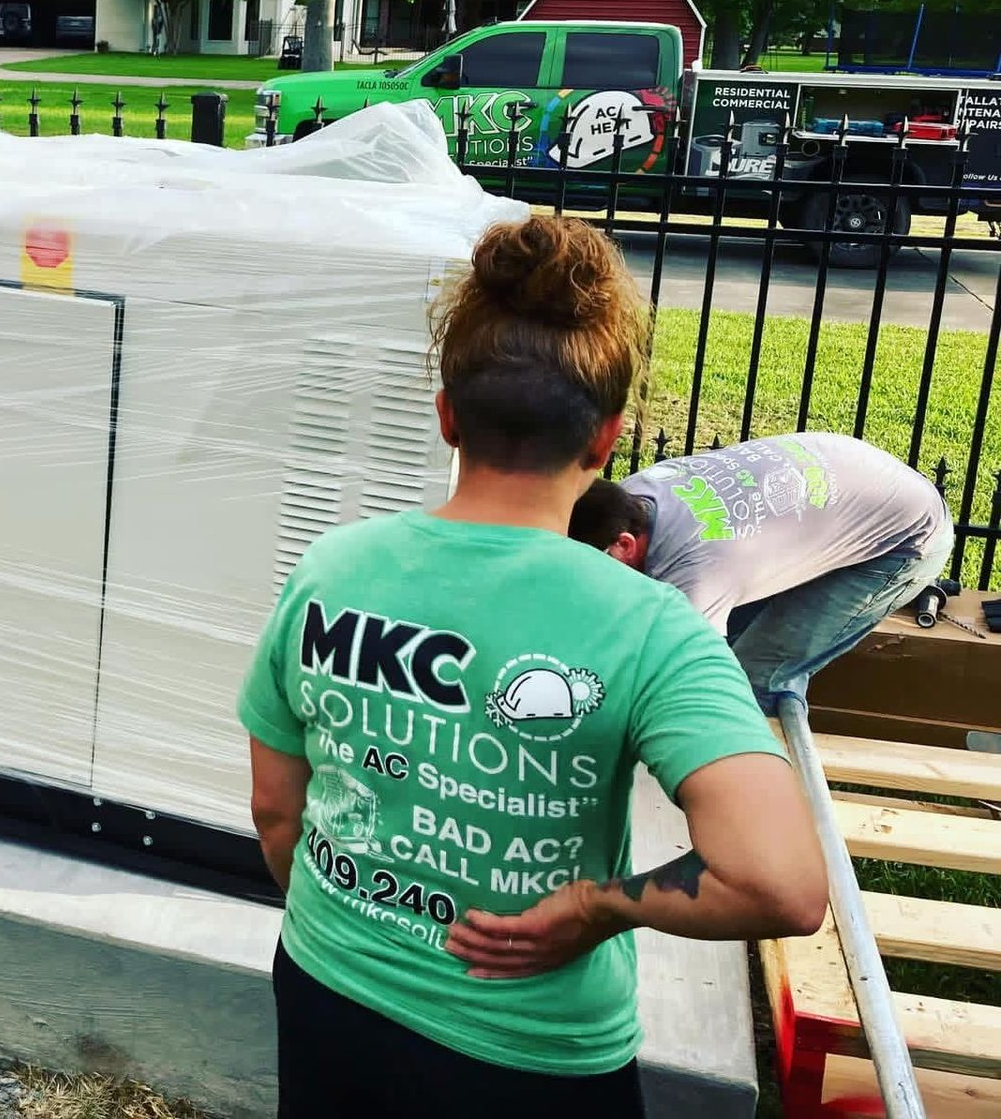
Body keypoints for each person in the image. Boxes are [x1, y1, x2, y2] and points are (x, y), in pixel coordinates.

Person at [239, 215, 826, 1118]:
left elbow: (277, 811)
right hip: (533, 1054)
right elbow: (778, 881)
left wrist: (353, 927)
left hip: (327, 990)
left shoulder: (330, 568)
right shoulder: (648, 629)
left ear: (447, 417)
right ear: (607, 440)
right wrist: (598, 907)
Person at [569, 434, 953, 713]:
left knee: (755, 676)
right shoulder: (635, 491)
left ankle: (762, 802)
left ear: (623, 544)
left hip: (904, 538)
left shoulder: (701, 571)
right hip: (849, 478)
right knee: (732, 632)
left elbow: (685, 675)